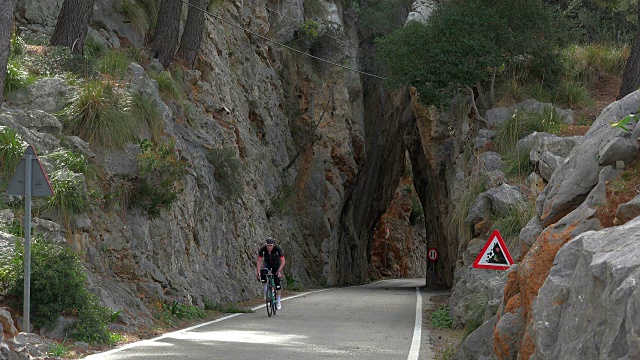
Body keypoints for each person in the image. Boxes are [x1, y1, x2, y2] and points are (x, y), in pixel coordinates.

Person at [256, 237, 286, 310]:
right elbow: (259, 261)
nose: (269, 247)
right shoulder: (263, 250)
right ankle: (266, 290)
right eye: (268, 245)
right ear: (266, 245)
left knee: (277, 284)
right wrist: (258, 272)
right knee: (263, 273)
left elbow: (283, 261)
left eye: (271, 245)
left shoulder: (277, 250)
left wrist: (279, 271)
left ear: (273, 245)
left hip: (276, 265)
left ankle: (278, 301)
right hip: (267, 264)